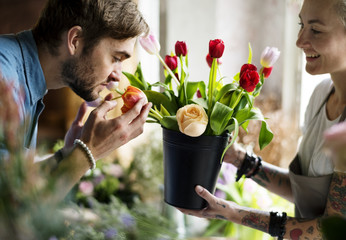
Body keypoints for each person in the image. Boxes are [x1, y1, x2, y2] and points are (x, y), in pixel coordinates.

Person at [179, 0, 346, 239]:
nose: (299, 41)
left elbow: (327, 231)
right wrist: (239, 159)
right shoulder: (321, 94)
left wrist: (233, 213)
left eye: (316, 30)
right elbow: (308, 193)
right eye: (301, 25)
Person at [0, 0, 152, 202]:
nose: (117, 76)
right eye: (116, 58)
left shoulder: (22, 77)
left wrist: (66, 157)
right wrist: (89, 152)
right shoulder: (4, 78)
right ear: (75, 40)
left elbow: (14, 186)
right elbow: (10, 209)